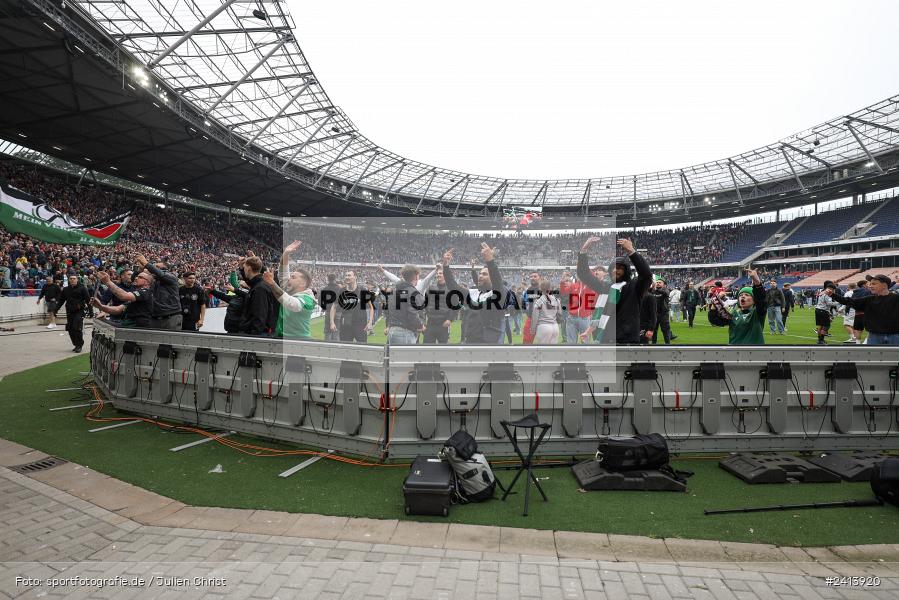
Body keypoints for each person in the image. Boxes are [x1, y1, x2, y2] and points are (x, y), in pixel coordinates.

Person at [576, 237, 652, 344]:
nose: (615, 270)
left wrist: (632, 252)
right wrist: (583, 251)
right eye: (613, 268)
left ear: (626, 271)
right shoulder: (605, 287)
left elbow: (646, 275)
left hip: (627, 340)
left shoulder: (634, 287)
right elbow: (584, 274)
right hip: (605, 338)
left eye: (620, 267)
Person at [441, 243, 507, 344]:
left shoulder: (497, 295)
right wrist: (445, 266)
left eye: (484, 274)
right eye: (480, 273)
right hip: (470, 342)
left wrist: (490, 261)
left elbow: (497, 282)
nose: (480, 276)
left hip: (488, 344)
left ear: (491, 278)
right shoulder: (473, 293)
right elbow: (453, 286)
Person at [262, 242, 316, 340]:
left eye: (293, 277)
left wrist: (272, 283)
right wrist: (286, 253)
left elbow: (291, 304)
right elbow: (283, 273)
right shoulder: (291, 291)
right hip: (281, 338)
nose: (289, 279)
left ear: (303, 284)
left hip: (299, 341)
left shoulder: (308, 299)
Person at [832, 274, 899, 345]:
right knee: (873, 356)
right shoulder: (869, 300)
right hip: (874, 336)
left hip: (895, 336)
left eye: (874, 284)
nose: (870, 286)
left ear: (884, 285)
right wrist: (832, 295)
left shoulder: (896, 299)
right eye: (870, 284)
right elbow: (850, 301)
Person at [135, 254, 182, 330]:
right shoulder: (152, 280)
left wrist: (146, 263)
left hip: (171, 316)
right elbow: (134, 279)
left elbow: (160, 274)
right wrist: (140, 269)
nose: (152, 268)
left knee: (170, 341)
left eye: (156, 267)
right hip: (154, 317)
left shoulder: (171, 277)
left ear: (164, 269)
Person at [385, 264, 426, 345]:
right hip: (406, 332)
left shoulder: (394, 291)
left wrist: (389, 325)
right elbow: (412, 314)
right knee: (406, 357)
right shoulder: (413, 292)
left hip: (392, 330)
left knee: (394, 357)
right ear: (416, 277)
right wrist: (420, 326)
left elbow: (388, 311)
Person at [329, 270, 373, 343]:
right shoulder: (341, 291)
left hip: (360, 324)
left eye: (349, 275)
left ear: (355, 277)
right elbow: (334, 307)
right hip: (346, 324)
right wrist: (332, 322)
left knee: (362, 347)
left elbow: (371, 307)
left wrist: (370, 322)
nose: (347, 277)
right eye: (346, 275)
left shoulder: (362, 290)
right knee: (345, 347)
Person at [727, 269, 766, 345]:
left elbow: (761, 300)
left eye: (747, 295)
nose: (743, 297)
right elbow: (717, 321)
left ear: (754, 300)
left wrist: (757, 283)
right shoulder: (733, 312)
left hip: (754, 352)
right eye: (741, 295)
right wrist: (714, 304)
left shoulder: (757, 313)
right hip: (734, 350)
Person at [239, 256, 276, 336]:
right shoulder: (258, 285)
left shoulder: (259, 288)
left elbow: (260, 315)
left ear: (249, 268)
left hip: (257, 335)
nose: (244, 270)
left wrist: (254, 336)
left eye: (244, 267)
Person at [560, 268, 598, 344]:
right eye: (579, 273)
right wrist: (562, 281)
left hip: (585, 318)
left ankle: (584, 356)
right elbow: (564, 291)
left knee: (585, 342)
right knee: (571, 342)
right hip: (572, 317)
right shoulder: (573, 286)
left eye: (582, 273)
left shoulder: (591, 286)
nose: (580, 275)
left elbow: (593, 277)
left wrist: (585, 269)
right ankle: (572, 356)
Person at [57, 274, 89, 352]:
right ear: (69, 280)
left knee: (77, 328)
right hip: (69, 312)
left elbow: (88, 300)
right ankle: (75, 344)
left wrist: (91, 312)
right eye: (71, 279)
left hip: (79, 311)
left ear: (77, 279)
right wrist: (55, 310)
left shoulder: (82, 289)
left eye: (74, 278)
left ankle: (79, 345)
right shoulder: (66, 289)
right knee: (70, 329)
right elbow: (61, 300)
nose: (72, 280)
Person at [423, 266, 455, 344]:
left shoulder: (451, 289)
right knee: (427, 348)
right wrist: (425, 318)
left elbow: (455, 306)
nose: (438, 275)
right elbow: (425, 305)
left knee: (443, 350)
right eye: (437, 273)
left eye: (441, 273)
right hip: (431, 322)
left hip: (443, 323)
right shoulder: (431, 288)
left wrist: (449, 319)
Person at [528, 279, 561, 344]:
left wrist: (532, 330)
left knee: (542, 351)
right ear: (550, 288)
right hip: (555, 327)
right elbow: (559, 313)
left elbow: (535, 317)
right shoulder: (557, 300)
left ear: (540, 288)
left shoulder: (538, 300)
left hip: (544, 326)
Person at [651, 279, 675, 344]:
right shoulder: (653, 291)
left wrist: (656, 289)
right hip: (654, 314)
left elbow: (665, 293)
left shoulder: (666, 290)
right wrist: (652, 287)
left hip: (663, 314)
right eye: (657, 282)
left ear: (664, 285)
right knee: (654, 331)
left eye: (660, 282)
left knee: (665, 330)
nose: (658, 283)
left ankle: (667, 345)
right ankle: (653, 345)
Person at [320, 273, 342, 341]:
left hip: (328, 311)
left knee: (327, 331)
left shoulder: (325, 289)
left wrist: (324, 307)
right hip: (338, 311)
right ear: (335, 279)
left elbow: (320, 300)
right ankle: (336, 347)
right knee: (336, 331)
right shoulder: (339, 288)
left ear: (328, 279)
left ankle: (327, 346)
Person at [852, 278, 872, 343]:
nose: (869, 285)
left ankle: (858, 344)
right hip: (867, 313)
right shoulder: (868, 292)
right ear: (864, 285)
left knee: (858, 330)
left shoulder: (854, 293)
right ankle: (865, 342)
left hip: (857, 314)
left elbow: (852, 302)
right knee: (871, 329)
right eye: (868, 284)